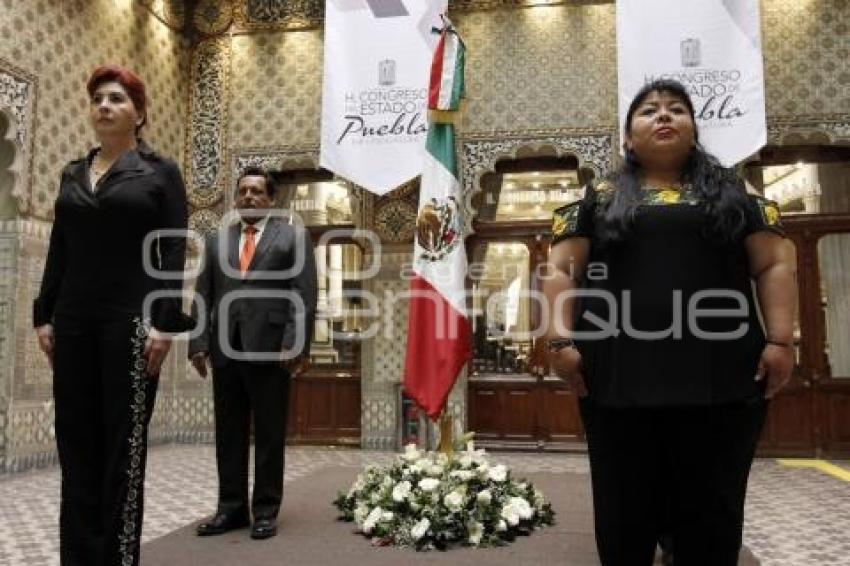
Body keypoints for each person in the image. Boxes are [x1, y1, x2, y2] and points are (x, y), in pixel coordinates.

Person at [544, 79, 796, 565]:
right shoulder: (598, 194)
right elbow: (560, 269)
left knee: (711, 507)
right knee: (625, 509)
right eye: (649, 111)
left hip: (720, 378)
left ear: (694, 128)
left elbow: (774, 265)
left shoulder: (733, 188)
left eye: (676, 109)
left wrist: (781, 342)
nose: (664, 116)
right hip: (618, 379)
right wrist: (559, 343)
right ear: (627, 137)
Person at [33, 64, 194, 566]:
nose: (104, 105)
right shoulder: (72, 174)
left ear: (138, 114)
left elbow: (171, 251)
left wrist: (165, 322)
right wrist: (44, 314)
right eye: (98, 98)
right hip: (74, 323)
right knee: (77, 449)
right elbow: (60, 247)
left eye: (117, 99)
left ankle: (118, 559)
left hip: (131, 325)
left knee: (122, 453)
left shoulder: (159, 172)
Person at [189, 166, 317, 540]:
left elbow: (304, 293)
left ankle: (265, 510)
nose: (249, 197)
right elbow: (202, 295)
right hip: (225, 351)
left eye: (257, 192)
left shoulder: (292, 237)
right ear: (235, 198)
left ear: (271, 200)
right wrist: (197, 344)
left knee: (269, 433)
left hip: (271, 351)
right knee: (228, 434)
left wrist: (295, 343)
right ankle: (230, 509)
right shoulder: (217, 241)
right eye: (243, 191)